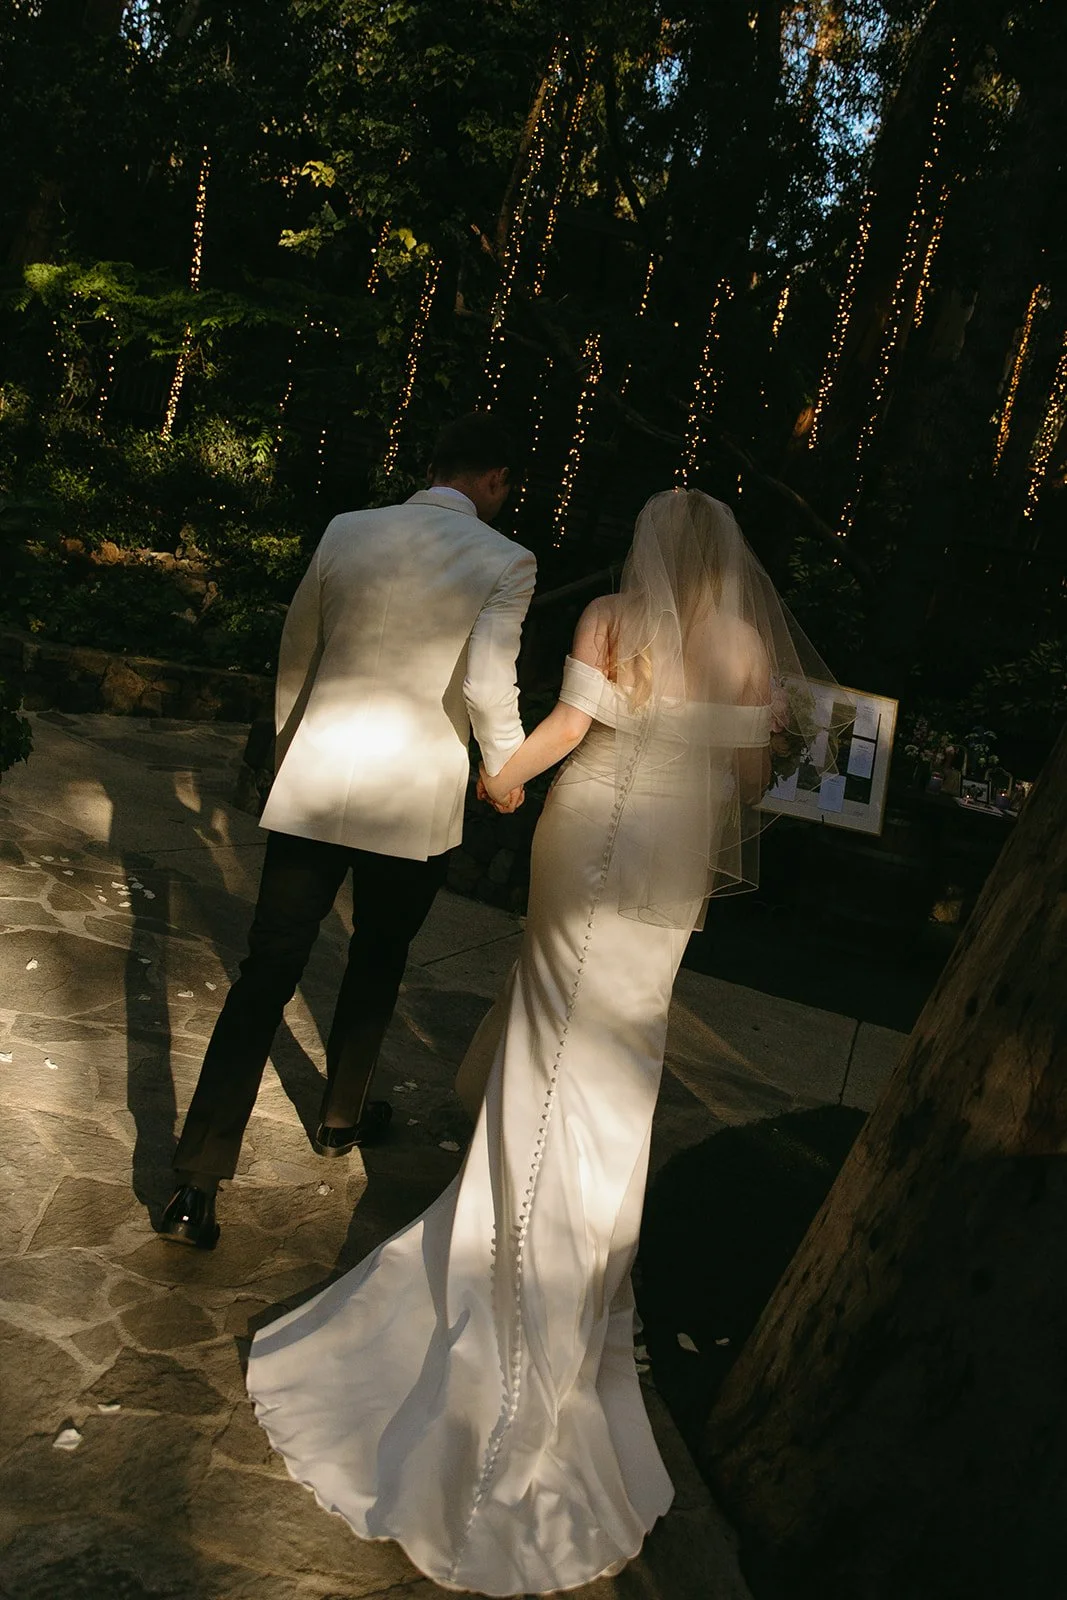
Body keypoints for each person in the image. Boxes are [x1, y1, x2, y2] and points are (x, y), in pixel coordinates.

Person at [245, 490, 846, 1594]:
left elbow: (569, 729)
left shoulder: (613, 615)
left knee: (546, 1026)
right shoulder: (746, 642)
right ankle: (579, 1267)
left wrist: (504, 776)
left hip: (589, 830)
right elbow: (751, 777)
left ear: (649, 546)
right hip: (668, 853)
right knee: (624, 1049)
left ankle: (509, 1242)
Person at [159, 413, 535, 1249]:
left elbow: (299, 650)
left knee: (267, 970)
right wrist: (504, 771)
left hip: (319, 779)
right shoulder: (505, 559)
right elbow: (486, 679)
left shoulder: (348, 529)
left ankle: (197, 1176)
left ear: (430, 466)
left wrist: (292, 748)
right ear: (495, 480)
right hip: (414, 795)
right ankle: (338, 1116)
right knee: (380, 952)